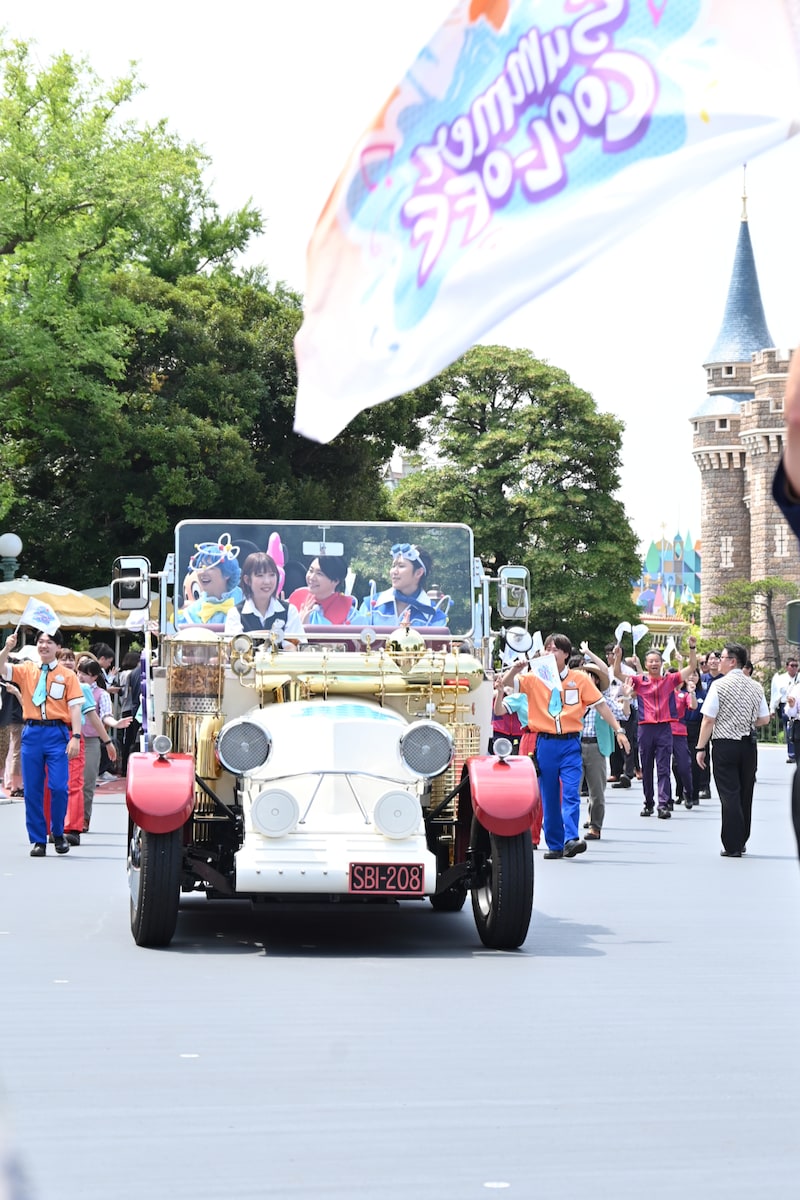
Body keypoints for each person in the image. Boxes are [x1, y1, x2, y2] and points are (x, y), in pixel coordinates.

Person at [506, 633, 630, 859]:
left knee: (571, 792)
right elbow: (505, 683)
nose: (549, 653)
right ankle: (554, 844)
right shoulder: (534, 678)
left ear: (565, 653)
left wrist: (619, 731)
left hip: (571, 742)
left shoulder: (579, 679)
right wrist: (516, 669)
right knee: (549, 795)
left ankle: (571, 838)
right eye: (547, 649)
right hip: (545, 743)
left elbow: (601, 706)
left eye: (555, 649)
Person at [0, 629, 83, 856]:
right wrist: (7, 648)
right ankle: (38, 839)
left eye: (49, 642)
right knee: (33, 790)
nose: (44, 645)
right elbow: (1, 668)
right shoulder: (27, 670)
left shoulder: (67, 676)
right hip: (32, 733)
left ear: (58, 647)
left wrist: (75, 736)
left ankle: (57, 832)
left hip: (57, 733)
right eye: (40, 641)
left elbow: (75, 706)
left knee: (58, 787)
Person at [694, 642, 770, 856]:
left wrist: (700, 747)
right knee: (746, 793)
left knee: (729, 794)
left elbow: (708, 719)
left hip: (725, 743)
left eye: (723, 658)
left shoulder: (719, 686)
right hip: (748, 745)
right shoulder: (755, 686)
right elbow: (764, 719)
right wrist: (744, 719)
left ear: (733, 661)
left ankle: (732, 843)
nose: (719, 661)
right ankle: (742, 838)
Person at [615, 637, 698, 819]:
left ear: (661, 663)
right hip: (645, 729)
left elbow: (691, 667)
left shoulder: (670, 680)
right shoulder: (639, 681)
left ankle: (662, 804)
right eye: (651, 661)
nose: (654, 663)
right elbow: (618, 674)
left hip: (664, 729)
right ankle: (648, 803)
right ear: (646, 664)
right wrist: (617, 657)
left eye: (657, 661)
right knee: (646, 768)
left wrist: (692, 648)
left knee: (663, 768)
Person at [576, 659, 625, 841]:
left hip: (597, 747)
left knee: (597, 792)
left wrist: (626, 698)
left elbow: (623, 714)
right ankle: (569, 830)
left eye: (589, 675)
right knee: (571, 791)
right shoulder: (573, 698)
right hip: (575, 746)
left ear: (596, 680)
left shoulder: (603, 701)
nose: (585, 678)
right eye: (583, 675)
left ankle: (595, 826)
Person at [76, 659, 126, 832]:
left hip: (90, 741)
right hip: (68, 738)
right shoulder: (71, 689)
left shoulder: (101, 694)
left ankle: (84, 818)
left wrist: (115, 724)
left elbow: (105, 716)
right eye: (79, 672)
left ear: (95, 677)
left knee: (87, 781)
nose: (80, 676)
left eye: (85, 673)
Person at [356, 543, 448, 627]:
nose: (394, 572)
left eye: (401, 566)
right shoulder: (371, 605)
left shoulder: (434, 617)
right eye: (393, 566)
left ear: (419, 572)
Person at [224, 551, 304, 643]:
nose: (267, 581)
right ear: (247, 580)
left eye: (272, 575)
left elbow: (297, 646)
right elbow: (234, 649)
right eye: (260, 576)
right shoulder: (235, 613)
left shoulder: (290, 611)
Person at [177, 534, 243, 626]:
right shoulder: (192, 612)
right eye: (200, 567)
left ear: (227, 574)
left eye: (210, 567)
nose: (203, 572)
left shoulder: (245, 602)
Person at [288, 556, 355, 624]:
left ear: (335, 581)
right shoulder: (294, 601)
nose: (311, 578)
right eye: (311, 571)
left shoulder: (351, 615)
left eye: (319, 574)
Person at [668, 669, 697, 809]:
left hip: (679, 731)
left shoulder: (683, 695)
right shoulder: (663, 694)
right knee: (664, 767)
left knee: (684, 765)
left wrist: (692, 692)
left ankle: (688, 792)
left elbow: (693, 706)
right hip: (664, 730)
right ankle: (666, 798)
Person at [769, 657, 799, 763]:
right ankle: (792, 754)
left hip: (798, 705)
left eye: (796, 666)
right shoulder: (780, 679)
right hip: (785, 705)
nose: (794, 668)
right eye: (792, 665)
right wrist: (772, 709)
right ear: (787, 667)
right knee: (790, 729)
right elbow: (775, 695)